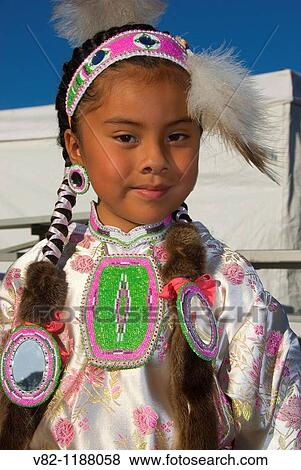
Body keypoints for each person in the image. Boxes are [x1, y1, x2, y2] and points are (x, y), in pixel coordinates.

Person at [0, 0, 300, 450]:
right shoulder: (29, 279)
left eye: (178, 136)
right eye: (125, 137)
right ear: (75, 145)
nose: (155, 161)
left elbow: (280, 417)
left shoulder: (227, 279)